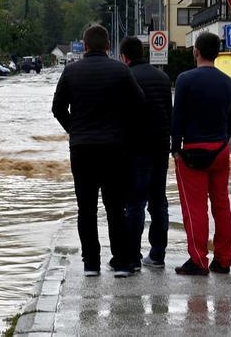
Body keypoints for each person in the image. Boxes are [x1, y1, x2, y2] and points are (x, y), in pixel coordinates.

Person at [52, 24, 145, 278]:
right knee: (115, 207)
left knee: (86, 208)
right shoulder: (121, 71)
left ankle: (91, 263)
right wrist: (122, 129)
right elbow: (139, 104)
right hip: (115, 148)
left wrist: (75, 129)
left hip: (82, 149)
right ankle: (122, 262)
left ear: (84, 46)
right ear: (107, 46)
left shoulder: (70, 72)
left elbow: (57, 108)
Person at [171, 32, 231, 276]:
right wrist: (222, 142)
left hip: (193, 152)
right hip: (220, 150)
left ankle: (198, 260)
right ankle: (224, 259)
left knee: (195, 208)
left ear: (196, 51)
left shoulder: (185, 79)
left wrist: (175, 148)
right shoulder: (229, 82)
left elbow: (177, 118)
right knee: (222, 205)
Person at [119, 36, 171, 271]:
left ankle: (132, 257)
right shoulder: (162, 78)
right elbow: (168, 114)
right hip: (160, 148)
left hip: (135, 149)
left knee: (135, 204)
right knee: (159, 204)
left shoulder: (126, 77)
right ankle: (158, 255)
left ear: (124, 57)